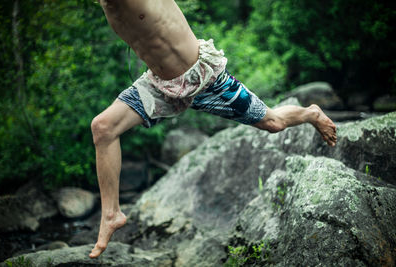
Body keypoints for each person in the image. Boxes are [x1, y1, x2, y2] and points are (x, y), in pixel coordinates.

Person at [89, 0, 337, 259]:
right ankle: (111, 214)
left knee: (273, 123)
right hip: (160, 86)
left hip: (205, 79)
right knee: (103, 128)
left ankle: (311, 113)